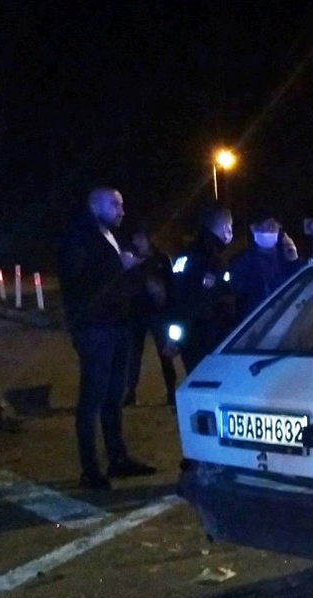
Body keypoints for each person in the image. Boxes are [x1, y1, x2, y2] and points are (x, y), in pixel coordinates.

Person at [56, 187, 157, 490]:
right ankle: (90, 469)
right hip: (94, 329)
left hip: (118, 325)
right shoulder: (77, 236)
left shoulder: (112, 236)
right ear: (93, 204)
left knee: (114, 396)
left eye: (122, 205)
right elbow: (77, 279)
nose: (121, 211)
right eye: (114, 204)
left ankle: (118, 458)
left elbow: (117, 280)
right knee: (92, 399)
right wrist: (119, 265)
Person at [174, 204, 235, 373]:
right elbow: (220, 298)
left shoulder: (184, 255)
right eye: (230, 226)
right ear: (225, 227)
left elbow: (176, 295)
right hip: (211, 334)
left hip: (189, 335)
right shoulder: (213, 259)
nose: (230, 232)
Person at [123, 224, 179, 406]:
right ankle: (130, 392)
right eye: (135, 239)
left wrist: (170, 309)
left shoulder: (161, 259)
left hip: (158, 313)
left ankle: (171, 391)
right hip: (136, 313)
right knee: (134, 355)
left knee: (165, 353)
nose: (137, 242)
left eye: (140, 238)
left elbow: (171, 285)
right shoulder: (131, 260)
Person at [227, 210, 300, 323]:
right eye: (268, 226)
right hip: (254, 325)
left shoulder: (286, 258)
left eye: (274, 226)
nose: (271, 230)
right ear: (253, 228)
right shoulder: (240, 263)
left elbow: (299, 285)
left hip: (285, 321)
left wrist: (294, 260)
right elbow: (239, 293)